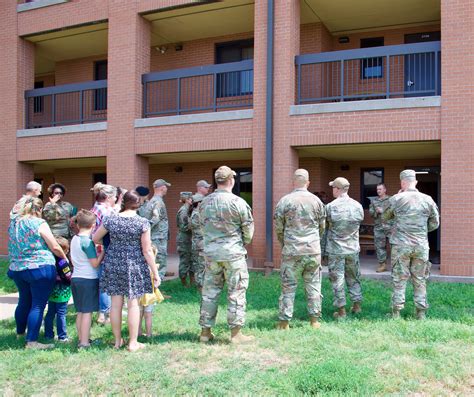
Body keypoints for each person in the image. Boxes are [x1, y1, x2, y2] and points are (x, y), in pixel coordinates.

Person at [93, 191, 160, 352]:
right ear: (139, 204)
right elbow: (147, 250)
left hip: (113, 262)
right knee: (133, 304)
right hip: (134, 264)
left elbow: (95, 238)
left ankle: (117, 341)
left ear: (123, 202)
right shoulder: (142, 222)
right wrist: (155, 273)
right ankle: (133, 342)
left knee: (116, 305)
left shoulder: (111, 219)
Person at [198, 166, 254, 344]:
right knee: (236, 292)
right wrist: (239, 243)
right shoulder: (238, 202)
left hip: (211, 254)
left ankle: (205, 333)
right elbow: (248, 232)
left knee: (209, 292)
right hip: (233, 254)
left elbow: (201, 227)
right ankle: (236, 334)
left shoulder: (204, 203)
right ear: (231, 180)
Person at [8, 197, 68, 349]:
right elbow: (54, 245)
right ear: (39, 209)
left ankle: (20, 333)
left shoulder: (14, 223)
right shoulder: (39, 223)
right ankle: (32, 341)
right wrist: (64, 257)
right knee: (38, 305)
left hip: (17, 268)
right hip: (40, 268)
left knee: (24, 301)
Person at [383, 170, 439, 320]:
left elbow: (385, 216)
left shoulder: (396, 198)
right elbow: (435, 223)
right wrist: (420, 231)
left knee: (399, 278)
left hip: (401, 245)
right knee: (420, 278)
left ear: (402, 182)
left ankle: (396, 313)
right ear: (416, 182)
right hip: (421, 245)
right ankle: (420, 313)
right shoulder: (428, 199)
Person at [274, 169, 326, 330]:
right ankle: (314, 320)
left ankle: (284, 323)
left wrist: (285, 243)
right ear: (308, 182)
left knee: (288, 286)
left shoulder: (285, 201)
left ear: (293, 182)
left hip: (292, 250)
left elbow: (279, 227)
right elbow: (322, 227)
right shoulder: (317, 201)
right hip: (312, 250)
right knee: (314, 285)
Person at [324, 177, 364, 320]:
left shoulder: (330, 207)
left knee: (337, 279)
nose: (332, 190)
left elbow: (325, 227)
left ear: (337, 189)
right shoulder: (358, 206)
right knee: (354, 277)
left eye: (333, 187)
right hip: (352, 248)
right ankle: (357, 306)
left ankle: (341, 311)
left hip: (336, 250)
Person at [70, 210, 105, 348]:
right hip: (88, 279)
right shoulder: (87, 242)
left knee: (80, 311)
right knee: (87, 312)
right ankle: (84, 342)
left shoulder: (75, 238)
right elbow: (95, 264)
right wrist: (102, 253)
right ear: (93, 224)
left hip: (76, 278)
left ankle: (81, 339)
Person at [90, 182, 117, 325]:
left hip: (98, 250)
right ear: (107, 197)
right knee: (106, 283)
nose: (115, 199)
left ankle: (103, 312)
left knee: (102, 281)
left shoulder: (96, 208)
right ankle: (104, 314)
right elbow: (97, 234)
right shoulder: (105, 211)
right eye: (114, 197)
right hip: (104, 250)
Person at [139, 179, 171, 280]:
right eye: (166, 187)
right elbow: (155, 218)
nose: (166, 189)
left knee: (154, 261)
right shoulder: (158, 202)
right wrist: (146, 230)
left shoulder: (152, 201)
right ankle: (157, 289)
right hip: (158, 237)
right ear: (162, 188)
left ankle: (154, 288)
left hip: (155, 236)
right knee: (159, 263)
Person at [44, 236, 72, 343]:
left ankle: (48, 334)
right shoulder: (62, 262)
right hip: (62, 291)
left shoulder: (49, 260)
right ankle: (62, 336)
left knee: (50, 313)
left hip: (51, 290)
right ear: (64, 250)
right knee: (61, 313)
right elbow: (68, 275)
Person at [369, 183, 394, 273]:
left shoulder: (391, 200)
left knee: (394, 246)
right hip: (379, 227)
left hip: (390, 227)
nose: (378, 191)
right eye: (377, 189)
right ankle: (382, 265)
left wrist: (383, 211)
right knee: (379, 247)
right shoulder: (374, 201)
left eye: (380, 189)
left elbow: (395, 212)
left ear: (385, 190)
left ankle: (396, 266)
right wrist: (376, 211)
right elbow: (371, 213)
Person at [139, 245, 161, 338]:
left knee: (138, 315)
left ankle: (138, 333)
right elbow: (156, 284)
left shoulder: (138, 267)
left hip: (138, 295)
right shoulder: (154, 268)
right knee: (148, 316)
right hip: (149, 296)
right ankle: (149, 334)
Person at [176, 192, 193, 287]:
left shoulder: (188, 209)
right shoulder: (183, 211)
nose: (192, 200)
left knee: (190, 259)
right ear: (187, 200)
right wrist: (193, 225)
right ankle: (183, 283)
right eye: (190, 198)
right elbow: (183, 226)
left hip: (188, 238)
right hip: (184, 239)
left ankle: (191, 282)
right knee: (185, 260)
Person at [189, 194, 206, 291]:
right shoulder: (197, 214)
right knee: (201, 266)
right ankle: (200, 287)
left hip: (198, 242)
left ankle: (200, 285)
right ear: (199, 203)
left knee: (199, 264)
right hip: (200, 243)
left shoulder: (195, 213)